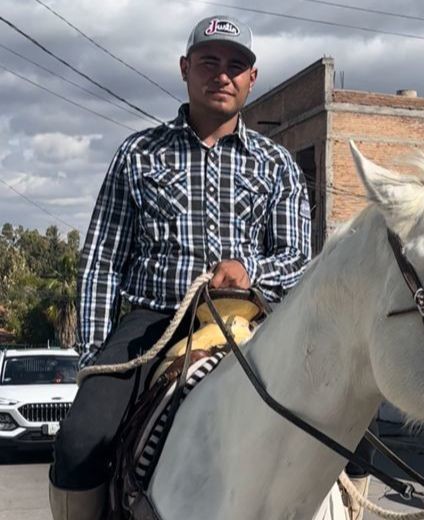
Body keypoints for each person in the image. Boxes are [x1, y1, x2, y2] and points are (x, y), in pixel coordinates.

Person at [49, 15, 311, 520]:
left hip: (252, 317)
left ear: (252, 80)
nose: (223, 75)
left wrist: (249, 268)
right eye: (209, 62)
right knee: (79, 442)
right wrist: (93, 360)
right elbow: (103, 259)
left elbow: (298, 257)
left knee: (354, 431)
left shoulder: (277, 165)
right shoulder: (138, 154)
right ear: (185, 69)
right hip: (154, 319)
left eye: (237, 65)